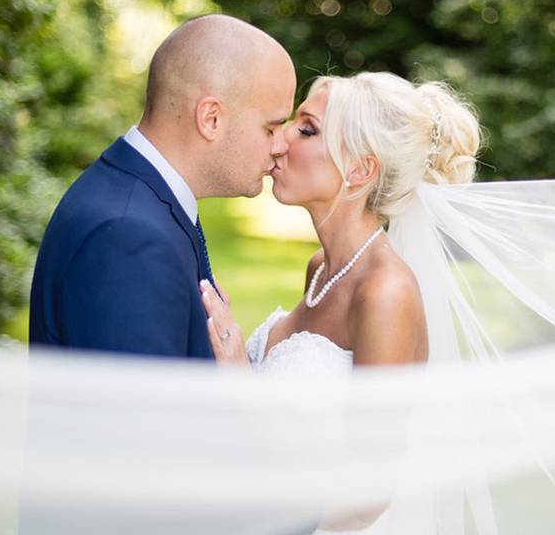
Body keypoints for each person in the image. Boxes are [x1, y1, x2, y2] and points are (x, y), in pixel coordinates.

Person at [200, 71, 482, 531]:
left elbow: (367, 495)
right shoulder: (321, 268)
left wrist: (238, 376)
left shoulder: (385, 292)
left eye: (306, 129)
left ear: (360, 170)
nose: (281, 138)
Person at [28, 14, 294, 358]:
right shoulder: (129, 236)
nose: (280, 145)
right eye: (270, 128)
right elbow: (140, 410)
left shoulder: (142, 199)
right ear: (211, 119)